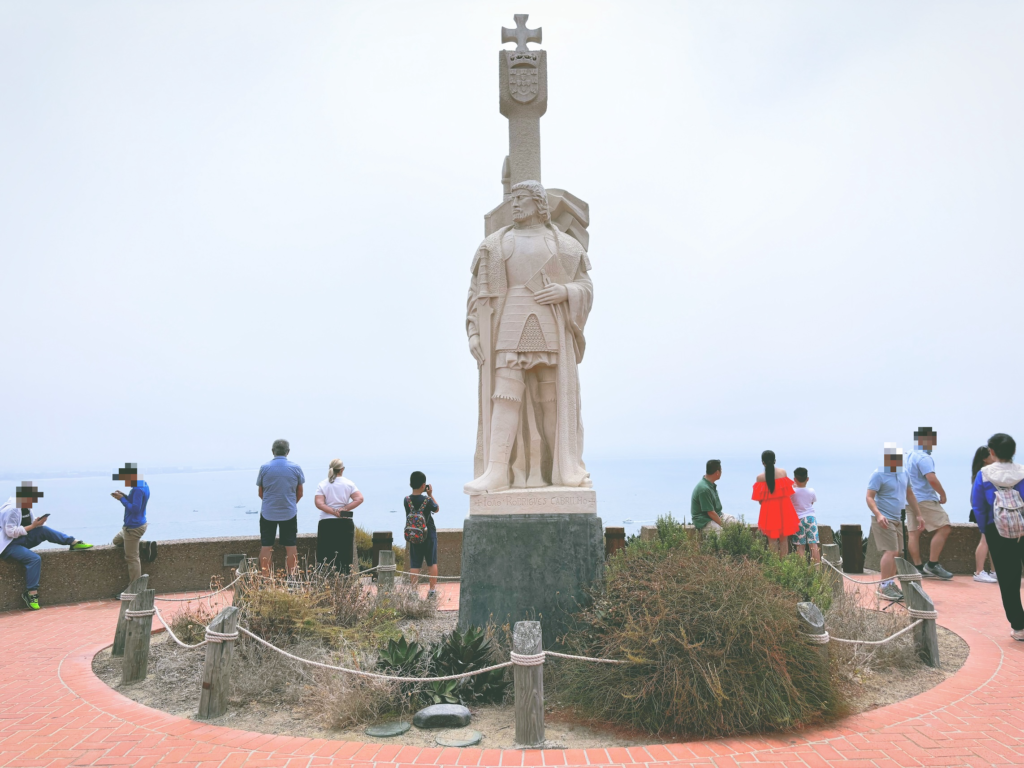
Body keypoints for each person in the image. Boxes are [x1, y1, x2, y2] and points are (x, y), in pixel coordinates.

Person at [464, 180, 593, 492]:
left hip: (549, 323)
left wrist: (565, 291)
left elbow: (585, 287)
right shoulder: (494, 245)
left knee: (552, 400)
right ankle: (497, 471)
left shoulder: (563, 245)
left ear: (538, 203)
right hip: (509, 321)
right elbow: (475, 296)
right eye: (513, 199)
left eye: (521, 198)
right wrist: (474, 333)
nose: (516, 204)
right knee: (504, 396)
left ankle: (562, 468)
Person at [0, 482, 93, 610]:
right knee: (34, 559)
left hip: (22, 540)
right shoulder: (11, 509)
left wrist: (37, 524)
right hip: (8, 545)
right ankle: (31, 594)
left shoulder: (26, 507)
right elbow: (10, 532)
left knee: (43, 530)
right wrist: (33, 526)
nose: (34, 500)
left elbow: (31, 529)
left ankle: (73, 542)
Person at [970, 433, 1024, 641]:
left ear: (991, 452)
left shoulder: (984, 474)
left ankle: (1019, 627)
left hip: (997, 530)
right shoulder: (1022, 472)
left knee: (1008, 579)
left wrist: (985, 530)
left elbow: (978, 506)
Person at [867, 444, 922, 601]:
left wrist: (918, 515)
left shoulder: (904, 472)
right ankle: (884, 586)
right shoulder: (878, 474)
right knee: (890, 551)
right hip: (884, 518)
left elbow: (909, 494)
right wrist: (878, 514)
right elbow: (869, 496)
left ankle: (890, 584)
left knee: (897, 553)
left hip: (898, 519)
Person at [905, 426, 954, 580]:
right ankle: (932, 565)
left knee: (914, 533)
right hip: (924, 499)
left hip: (908, 498)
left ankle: (918, 567)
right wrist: (943, 494)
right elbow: (931, 479)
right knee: (945, 527)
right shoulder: (924, 457)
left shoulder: (907, 455)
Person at [257, 439, 305, 576]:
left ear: (273, 451)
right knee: (291, 546)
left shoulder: (264, 468)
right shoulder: (296, 468)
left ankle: (265, 579)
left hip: (268, 512)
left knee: (266, 546)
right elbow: (300, 493)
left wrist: (270, 503)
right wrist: (289, 503)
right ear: (288, 452)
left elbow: (261, 493)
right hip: (289, 512)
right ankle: (292, 577)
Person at [314, 458, 364, 573]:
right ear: (342, 469)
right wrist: (344, 509)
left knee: (325, 554)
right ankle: (344, 581)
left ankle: (325, 581)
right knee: (345, 555)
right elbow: (359, 498)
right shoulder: (349, 483)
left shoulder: (323, 484)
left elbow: (319, 503)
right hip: (344, 522)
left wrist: (332, 511)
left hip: (326, 522)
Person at [110, 462, 155, 585]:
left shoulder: (138, 489)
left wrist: (121, 499)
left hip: (133, 528)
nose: (125, 482)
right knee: (117, 541)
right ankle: (144, 544)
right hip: (135, 526)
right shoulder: (143, 485)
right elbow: (137, 503)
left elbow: (135, 509)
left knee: (132, 558)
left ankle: (135, 588)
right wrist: (124, 495)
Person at [752, 450, 798, 558]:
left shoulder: (760, 478)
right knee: (784, 540)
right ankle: (784, 565)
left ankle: (775, 565)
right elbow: (788, 492)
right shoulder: (783, 473)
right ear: (775, 461)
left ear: (763, 462)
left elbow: (760, 500)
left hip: (769, 511)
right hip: (784, 509)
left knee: (771, 541)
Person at [405, 471, 440, 598]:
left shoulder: (407, 500)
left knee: (415, 563)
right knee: (431, 562)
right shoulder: (427, 500)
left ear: (410, 484)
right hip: (428, 533)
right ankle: (432, 591)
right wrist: (430, 495)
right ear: (423, 485)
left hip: (414, 534)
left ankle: (414, 592)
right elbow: (436, 508)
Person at [969, 446, 998, 583]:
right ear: (985, 459)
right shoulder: (983, 473)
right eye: (991, 455)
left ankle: (994, 571)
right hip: (986, 511)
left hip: (990, 511)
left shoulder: (983, 473)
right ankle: (979, 572)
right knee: (985, 540)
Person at [690, 460, 737, 532]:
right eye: (721, 470)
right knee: (720, 533)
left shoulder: (710, 485)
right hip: (704, 520)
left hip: (716, 515)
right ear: (717, 472)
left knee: (735, 524)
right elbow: (710, 512)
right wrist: (723, 525)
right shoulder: (704, 489)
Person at [791, 467, 820, 564]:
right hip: (810, 518)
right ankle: (816, 568)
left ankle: (802, 569)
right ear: (807, 479)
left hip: (797, 520)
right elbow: (811, 503)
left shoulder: (792, 491)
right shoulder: (811, 491)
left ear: (795, 479)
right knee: (813, 545)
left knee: (800, 546)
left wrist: (794, 486)